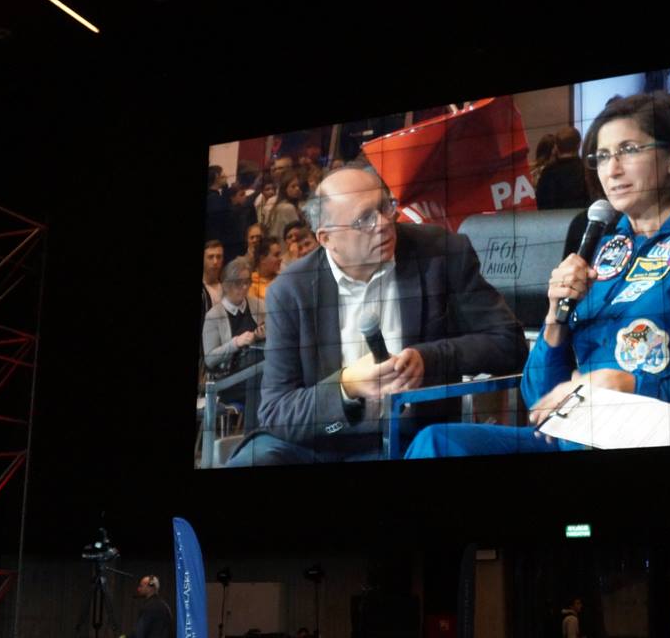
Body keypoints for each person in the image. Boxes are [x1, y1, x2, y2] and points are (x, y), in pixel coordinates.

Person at [405, 92, 670, 458]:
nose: (612, 170)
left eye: (628, 150)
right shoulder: (603, 250)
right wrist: (555, 319)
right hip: (573, 435)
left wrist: (627, 386)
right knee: (438, 442)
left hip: (654, 436)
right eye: (602, 156)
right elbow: (539, 398)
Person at [226, 166, 527, 465]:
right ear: (326, 238)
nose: (383, 223)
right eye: (365, 219)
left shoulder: (442, 252)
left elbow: (510, 343)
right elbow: (277, 411)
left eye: (386, 207)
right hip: (320, 444)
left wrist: (429, 358)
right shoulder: (291, 290)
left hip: (410, 439)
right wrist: (347, 385)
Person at [202, 257, 266, 375]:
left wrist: (263, 334)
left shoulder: (259, 305)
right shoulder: (213, 316)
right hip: (229, 378)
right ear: (226, 285)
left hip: (259, 371)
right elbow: (209, 360)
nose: (245, 287)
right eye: (238, 283)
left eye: (247, 282)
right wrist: (235, 343)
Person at [535, 126, 590, 210]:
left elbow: (541, 204)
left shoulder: (547, 173)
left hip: (553, 218)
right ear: (579, 145)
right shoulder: (587, 171)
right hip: (582, 217)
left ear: (556, 147)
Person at [249, 236, 282, 301]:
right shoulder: (250, 284)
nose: (280, 258)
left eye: (279, 255)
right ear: (262, 259)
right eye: (276, 255)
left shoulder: (283, 278)